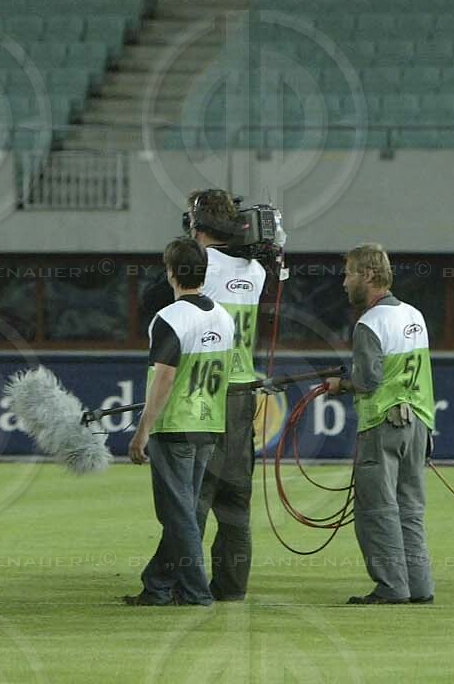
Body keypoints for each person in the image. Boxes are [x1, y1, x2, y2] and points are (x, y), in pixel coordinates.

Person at [123, 239, 233, 608]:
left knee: (177, 513)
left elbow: (164, 379)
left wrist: (143, 430)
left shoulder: (169, 318)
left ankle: (195, 591)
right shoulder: (223, 315)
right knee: (186, 512)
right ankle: (157, 585)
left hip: (175, 427)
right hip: (210, 423)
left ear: (171, 272)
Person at [325, 242, 435, 606]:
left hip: (381, 424)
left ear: (369, 276)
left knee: (376, 510)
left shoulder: (370, 323)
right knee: (410, 509)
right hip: (418, 422)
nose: (344, 283)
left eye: (349, 274)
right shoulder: (414, 314)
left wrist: (340, 385)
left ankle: (391, 587)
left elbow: (369, 381)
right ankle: (419, 586)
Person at [183, 190, 270, 601]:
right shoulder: (257, 272)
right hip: (241, 393)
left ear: (197, 225)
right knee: (236, 500)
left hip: (205, 389)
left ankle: (184, 585)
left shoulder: (198, 266)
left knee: (194, 494)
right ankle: (231, 588)